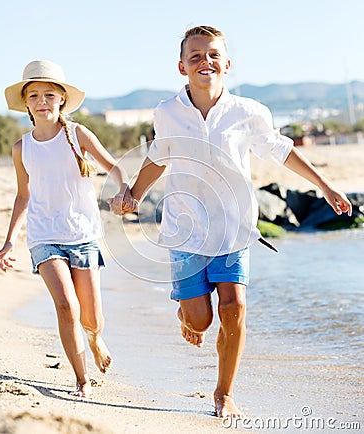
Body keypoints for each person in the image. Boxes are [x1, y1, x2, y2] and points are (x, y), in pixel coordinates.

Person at [109, 25, 352, 418]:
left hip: (234, 227)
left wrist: (324, 186)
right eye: (195, 56)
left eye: (213, 54)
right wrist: (134, 194)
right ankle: (186, 312)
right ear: (182, 67)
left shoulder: (249, 113)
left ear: (227, 63)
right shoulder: (168, 112)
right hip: (186, 229)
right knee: (200, 322)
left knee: (234, 305)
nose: (205, 61)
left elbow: (282, 151)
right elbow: (158, 156)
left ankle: (224, 393)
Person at [0, 59, 136, 399]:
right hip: (44, 236)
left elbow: (114, 167)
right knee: (66, 306)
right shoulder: (21, 148)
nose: (41, 101)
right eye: (34, 95)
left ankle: (94, 339)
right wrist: (9, 241)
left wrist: (122, 189)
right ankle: (81, 379)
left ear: (61, 99)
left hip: (83, 234)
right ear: (26, 103)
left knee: (92, 316)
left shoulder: (78, 135)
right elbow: (23, 195)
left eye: (48, 94)